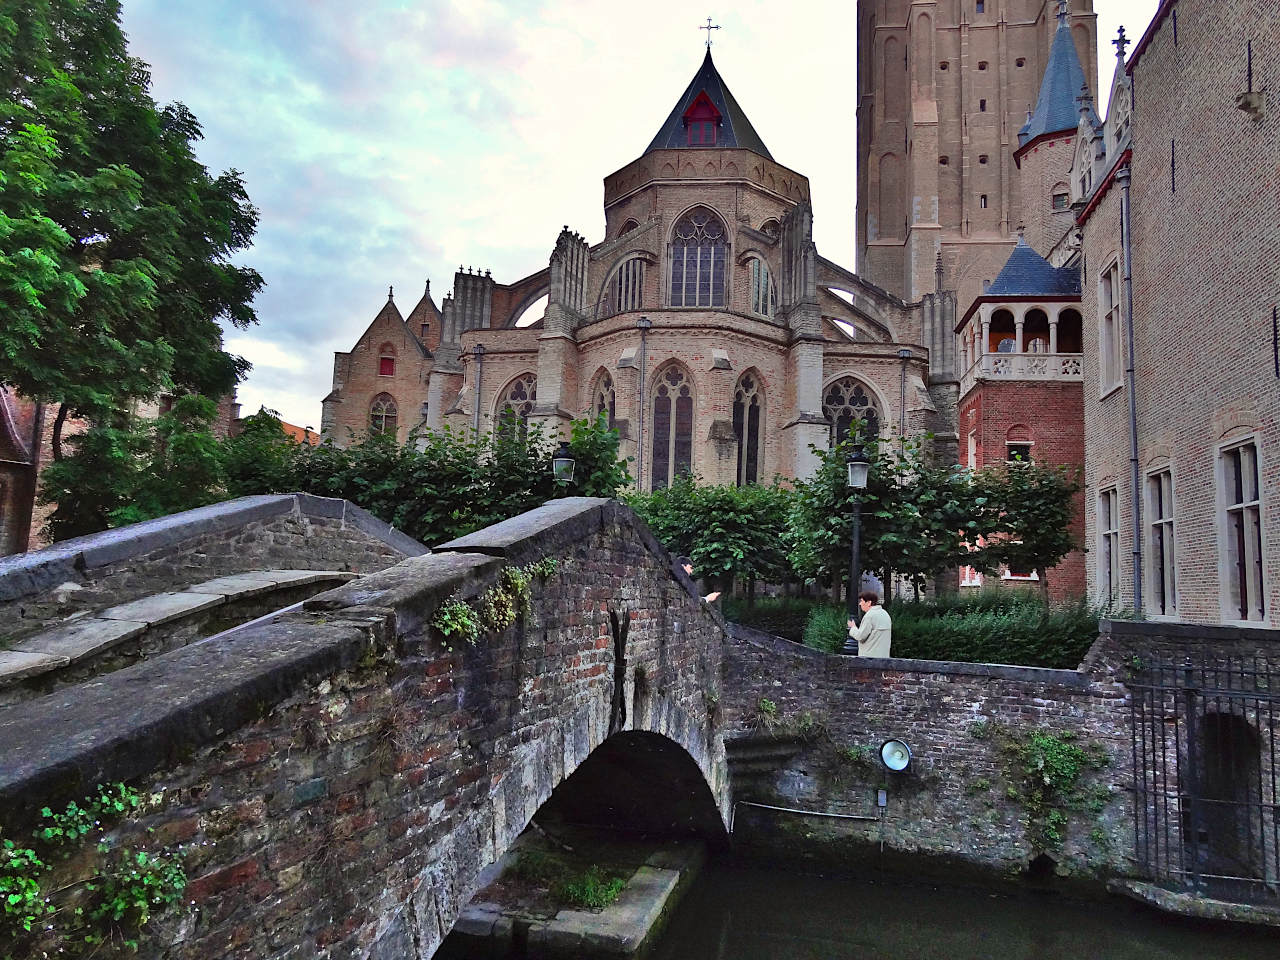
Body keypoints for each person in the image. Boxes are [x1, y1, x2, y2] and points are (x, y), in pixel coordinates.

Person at [845, 590, 891, 657]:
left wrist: (853, 627)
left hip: (869, 659)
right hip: (884, 658)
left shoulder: (869, 616)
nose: (859, 604)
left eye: (862, 601)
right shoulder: (885, 614)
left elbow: (860, 636)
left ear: (869, 602)